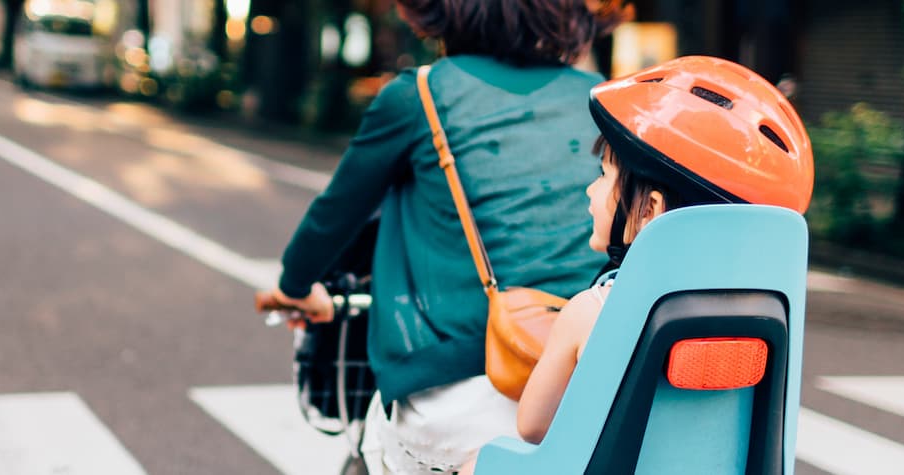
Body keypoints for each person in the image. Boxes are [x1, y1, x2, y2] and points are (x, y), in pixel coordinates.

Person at [255, 1, 626, 473]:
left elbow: (330, 221)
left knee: (379, 446)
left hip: (459, 398)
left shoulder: (419, 95)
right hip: (589, 391)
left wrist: (294, 289)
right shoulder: (603, 97)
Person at [512, 56, 816, 446]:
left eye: (603, 177)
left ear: (650, 210)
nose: (591, 191)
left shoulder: (592, 311)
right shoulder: (764, 316)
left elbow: (533, 426)